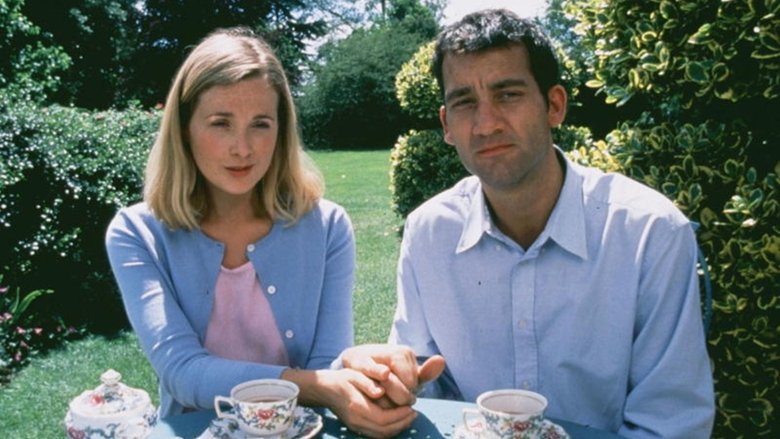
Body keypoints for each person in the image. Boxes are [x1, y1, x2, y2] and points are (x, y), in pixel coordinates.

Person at [344, 9, 715, 439]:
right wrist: (387, 381)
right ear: (446, 125)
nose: (486, 124)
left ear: (554, 106)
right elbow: (421, 384)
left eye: (508, 94)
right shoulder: (429, 232)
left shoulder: (649, 233)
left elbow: (671, 424)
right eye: (465, 102)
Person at [105, 27, 420, 437]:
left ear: (281, 130)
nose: (243, 148)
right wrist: (319, 385)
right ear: (184, 129)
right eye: (221, 123)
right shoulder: (136, 233)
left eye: (260, 124)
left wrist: (367, 375)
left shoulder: (328, 227)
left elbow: (327, 364)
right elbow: (183, 372)